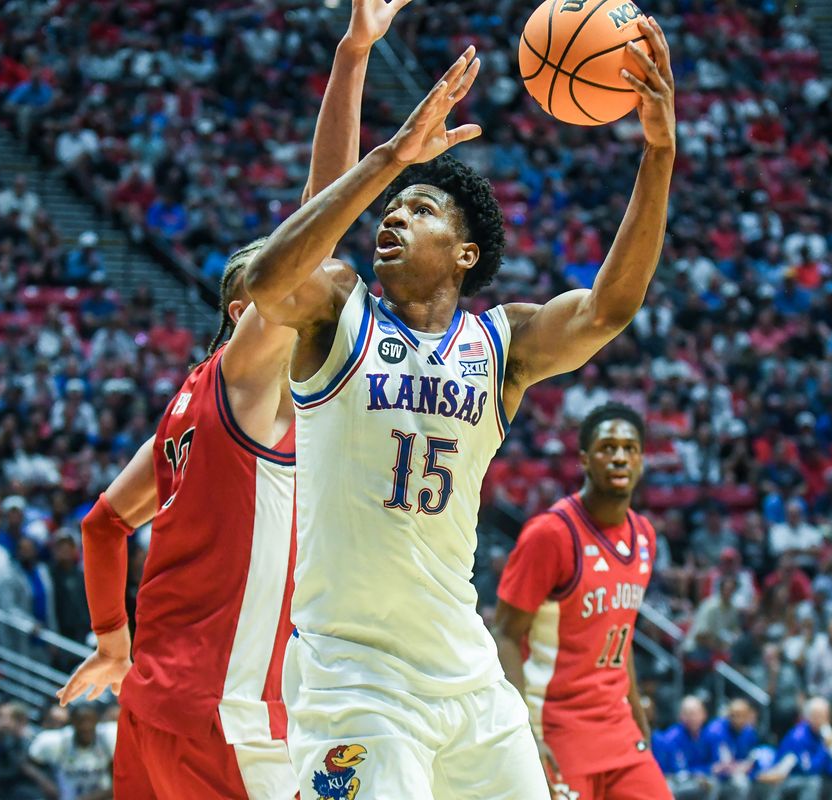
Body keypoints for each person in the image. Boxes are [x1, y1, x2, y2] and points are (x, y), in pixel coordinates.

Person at [244, 13, 675, 797]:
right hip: (356, 679)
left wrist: (658, 153)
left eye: (421, 210)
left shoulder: (499, 343)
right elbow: (266, 281)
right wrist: (387, 157)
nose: (394, 216)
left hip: (469, 678)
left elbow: (608, 308)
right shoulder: (338, 311)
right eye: (392, 207)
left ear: (465, 254)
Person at [55, 2, 411, 797]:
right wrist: (353, 57)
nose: (316, 297)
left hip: (151, 709)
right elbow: (320, 218)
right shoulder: (248, 376)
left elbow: (103, 524)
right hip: (228, 721)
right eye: (295, 288)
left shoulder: (186, 409)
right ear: (251, 310)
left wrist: (112, 643)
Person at [494, 403, 670, 799]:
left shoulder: (644, 535)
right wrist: (524, 734)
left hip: (617, 728)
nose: (620, 456)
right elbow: (503, 634)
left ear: (641, 461)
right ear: (585, 460)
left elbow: (620, 635)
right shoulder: (550, 534)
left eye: (630, 448)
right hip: (556, 729)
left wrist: (639, 719)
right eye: (608, 447)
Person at [757, 696, 832, 799]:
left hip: (806, 777)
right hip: (787, 779)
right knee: (813, 782)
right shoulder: (799, 736)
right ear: (809, 717)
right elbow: (809, 769)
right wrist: (825, 748)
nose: (822, 720)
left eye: (825, 716)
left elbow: (830, 766)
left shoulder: (822, 734)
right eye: (818, 716)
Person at [25, 703, 116, 800]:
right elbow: (27, 764)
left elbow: (117, 783)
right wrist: (45, 783)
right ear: (72, 722)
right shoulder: (56, 741)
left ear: (97, 721)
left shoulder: (108, 737)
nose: (85, 726)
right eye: (81, 721)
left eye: (90, 721)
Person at [652, 696, 717, 799]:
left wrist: (703, 772)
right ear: (681, 716)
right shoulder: (672, 737)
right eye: (688, 714)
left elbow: (713, 765)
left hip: (696, 778)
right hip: (674, 780)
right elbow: (678, 770)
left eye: (695, 713)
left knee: (712, 783)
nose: (692, 718)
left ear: (704, 715)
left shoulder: (707, 735)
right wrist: (697, 774)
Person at [704, 699, 759, 798]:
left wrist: (747, 767)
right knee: (714, 784)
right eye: (734, 715)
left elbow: (752, 760)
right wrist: (739, 767)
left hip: (736, 773)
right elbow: (722, 765)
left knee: (746, 782)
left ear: (748, 716)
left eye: (742, 715)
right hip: (712, 774)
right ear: (728, 715)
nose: (738, 719)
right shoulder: (716, 731)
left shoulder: (750, 732)